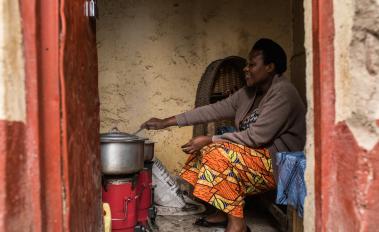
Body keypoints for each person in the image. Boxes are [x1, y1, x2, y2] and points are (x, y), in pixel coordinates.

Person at [141, 38, 306, 232]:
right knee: (206, 152)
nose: (246, 68)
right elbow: (211, 110)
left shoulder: (283, 93)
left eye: (252, 64)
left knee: (216, 153)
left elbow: (256, 137)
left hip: (280, 163)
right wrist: (165, 122)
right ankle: (222, 211)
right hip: (257, 157)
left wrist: (209, 139)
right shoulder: (249, 93)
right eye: (246, 64)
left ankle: (237, 224)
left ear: (270, 67)